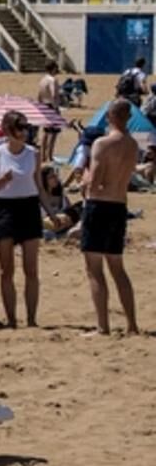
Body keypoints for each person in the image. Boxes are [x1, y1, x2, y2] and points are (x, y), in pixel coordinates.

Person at [81, 99, 141, 334]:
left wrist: (84, 179)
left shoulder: (102, 144)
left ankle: (102, 326)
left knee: (94, 269)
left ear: (109, 116)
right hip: (119, 206)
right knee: (117, 267)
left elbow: (94, 183)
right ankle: (132, 324)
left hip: (99, 205)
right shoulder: (133, 145)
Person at [0, 109, 46, 329]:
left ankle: (31, 319)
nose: (25, 132)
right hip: (5, 209)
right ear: (9, 130)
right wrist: (1, 181)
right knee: (6, 270)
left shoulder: (34, 153)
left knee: (31, 269)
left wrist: (50, 212)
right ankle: (11, 318)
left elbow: (39, 185)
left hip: (29, 207)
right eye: (20, 128)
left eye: (26, 127)